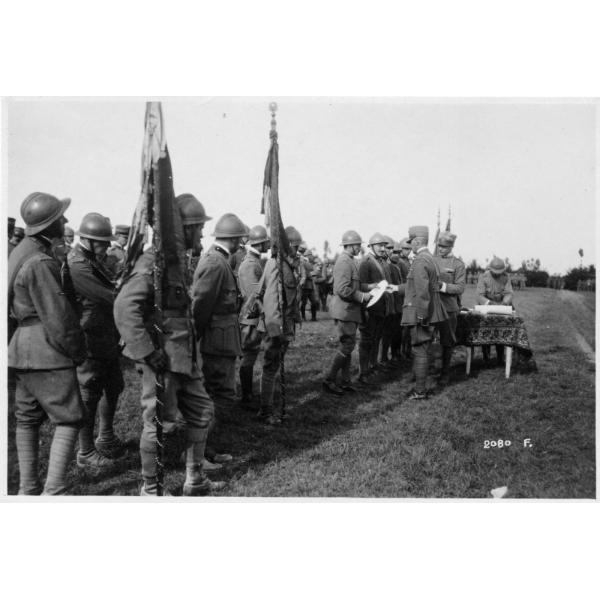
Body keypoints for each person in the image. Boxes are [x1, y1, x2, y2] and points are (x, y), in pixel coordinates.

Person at [114, 193, 223, 496]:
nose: (201, 234)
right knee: (158, 423)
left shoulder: (176, 263)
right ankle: (151, 490)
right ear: (184, 229)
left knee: (202, 412)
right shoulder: (154, 262)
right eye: (199, 228)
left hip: (185, 357)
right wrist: (147, 352)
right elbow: (124, 307)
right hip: (163, 358)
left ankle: (195, 479)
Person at [8, 192, 86, 494]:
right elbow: (59, 317)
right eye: (59, 217)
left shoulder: (21, 253)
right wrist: (77, 351)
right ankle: (54, 490)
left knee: (27, 419)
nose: (65, 220)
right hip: (48, 351)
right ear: (48, 225)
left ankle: (27, 489)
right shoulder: (40, 261)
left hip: (21, 349)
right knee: (69, 418)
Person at [69, 213, 125, 473]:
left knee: (114, 385)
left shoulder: (92, 259)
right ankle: (86, 451)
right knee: (90, 393)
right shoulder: (78, 265)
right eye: (102, 241)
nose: (107, 245)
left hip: (105, 334)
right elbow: (108, 295)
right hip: (90, 337)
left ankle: (106, 436)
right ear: (88, 240)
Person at [192, 213, 244, 462]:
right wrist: (198, 338)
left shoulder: (220, 260)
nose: (241, 243)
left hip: (221, 339)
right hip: (216, 342)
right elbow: (199, 305)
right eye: (240, 239)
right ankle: (196, 454)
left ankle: (204, 450)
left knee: (217, 395)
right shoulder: (215, 262)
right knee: (220, 396)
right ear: (233, 239)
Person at [257, 225, 303, 424]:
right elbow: (269, 298)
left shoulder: (286, 265)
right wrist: (276, 329)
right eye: (295, 248)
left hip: (284, 323)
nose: (297, 252)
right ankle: (266, 410)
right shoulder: (276, 265)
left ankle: (270, 405)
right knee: (270, 366)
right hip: (276, 326)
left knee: (274, 366)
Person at [401, 225, 448, 400]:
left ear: (417, 241)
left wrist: (421, 315)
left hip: (421, 311)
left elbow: (422, 291)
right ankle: (420, 387)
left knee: (420, 349)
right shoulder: (430, 258)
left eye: (411, 241)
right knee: (424, 348)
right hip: (432, 310)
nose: (410, 245)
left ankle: (420, 391)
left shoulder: (420, 260)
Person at [322, 230, 371, 395]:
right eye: (357, 245)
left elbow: (354, 285)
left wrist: (370, 287)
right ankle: (330, 379)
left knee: (348, 345)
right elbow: (342, 289)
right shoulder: (344, 262)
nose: (359, 248)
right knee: (348, 345)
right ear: (350, 245)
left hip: (350, 311)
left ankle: (345, 380)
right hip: (345, 311)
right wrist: (362, 296)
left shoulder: (350, 260)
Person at [237, 224, 270, 408]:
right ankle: (247, 395)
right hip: (250, 317)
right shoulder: (250, 265)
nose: (268, 245)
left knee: (250, 354)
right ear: (260, 243)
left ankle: (247, 393)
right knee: (248, 355)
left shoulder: (254, 261)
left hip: (253, 315)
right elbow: (252, 296)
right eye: (266, 242)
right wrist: (266, 313)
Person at [358, 232, 393, 382]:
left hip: (380, 307)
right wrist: (373, 286)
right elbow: (359, 285)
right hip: (369, 307)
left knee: (376, 338)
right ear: (371, 246)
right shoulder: (366, 262)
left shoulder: (381, 261)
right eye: (379, 246)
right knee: (367, 340)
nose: (383, 248)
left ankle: (373, 365)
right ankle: (363, 372)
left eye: (384, 246)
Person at [434, 231, 466, 385]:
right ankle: (426, 370)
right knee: (428, 339)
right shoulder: (432, 260)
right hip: (431, 307)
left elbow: (460, 288)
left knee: (447, 341)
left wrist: (442, 286)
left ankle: (445, 373)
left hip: (448, 308)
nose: (440, 249)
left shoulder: (458, 264)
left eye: (444, 247)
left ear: (451, 247)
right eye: (439, 246)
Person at [476, 256, 514, 364]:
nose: (497, 274)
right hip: (486, 307)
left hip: (502, 307)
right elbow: (479, 295)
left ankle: (500, 358)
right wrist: (489, 303)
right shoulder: (483, 277)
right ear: (490, 269)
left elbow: (509, 293)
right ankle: (486, 358)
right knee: (485, 330)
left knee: (501, 330)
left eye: (499, 272)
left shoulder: (506, 277)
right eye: (495, 272)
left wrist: (505, 302)